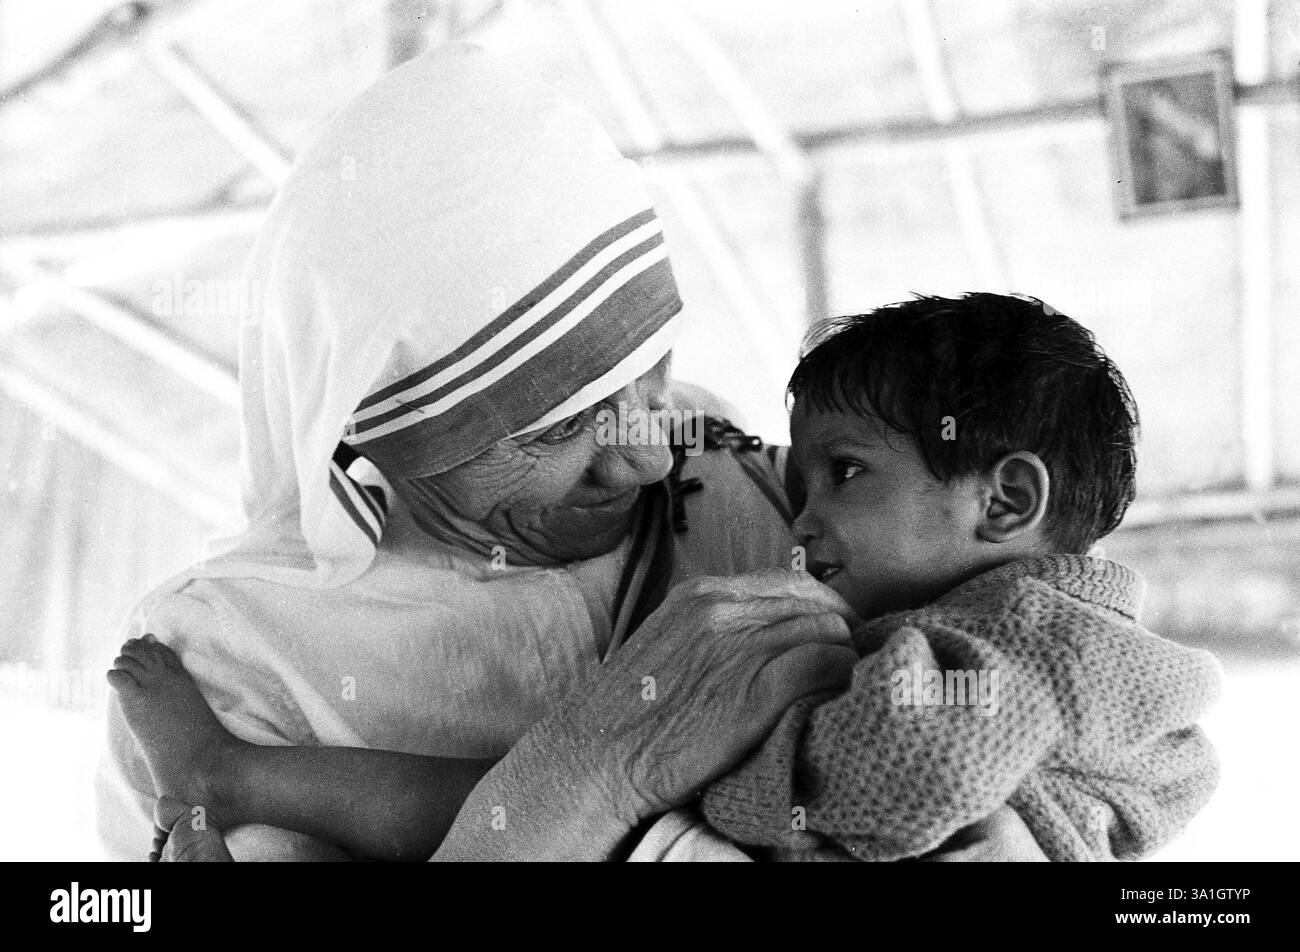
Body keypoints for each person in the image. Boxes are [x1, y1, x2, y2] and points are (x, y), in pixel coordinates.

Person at [110, 293, 1220, 862]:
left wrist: (689, 760)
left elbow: (928, 765)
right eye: (561, 421)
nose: (800, 508)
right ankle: (233, 776)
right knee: (532, 790)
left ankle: (233, 776)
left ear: (1007, 503)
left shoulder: (1033, 638)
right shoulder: (250, 621)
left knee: (532, 797)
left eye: (841, 475)